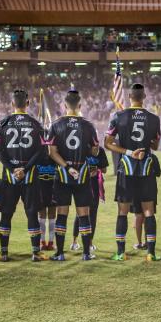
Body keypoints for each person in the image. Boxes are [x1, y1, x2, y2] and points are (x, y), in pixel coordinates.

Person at [104, 83, 161, 261]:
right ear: (144, 97)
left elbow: (108, 143)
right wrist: (143, 146)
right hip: (146, 168)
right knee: (148, 211)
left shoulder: (119, 116)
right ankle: (150, 253)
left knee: (122, 211)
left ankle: (121, 252)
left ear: (129, 97)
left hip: (126, 168)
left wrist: (129, 151)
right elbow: (156, 145)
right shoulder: (154, 118)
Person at [0, 90, 48, 262]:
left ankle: (3, 253)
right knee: (32, 214)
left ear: (12, 104)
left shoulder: (3, 123)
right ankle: (35, 253)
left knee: (6, 214)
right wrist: (25, 168)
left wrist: (12, 168)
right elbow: (41, 151)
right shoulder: (35, 123)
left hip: (9, 177)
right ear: (28, 103)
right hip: (30, 176)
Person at [47, 89, 99, 261]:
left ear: (64, 105)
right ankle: (85, 253)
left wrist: (67, 166)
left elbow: (52, 153)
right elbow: (94, 150)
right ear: (80, 105)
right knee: (84, 214)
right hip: (82, 174)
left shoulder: (55, 125)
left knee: (62, 213)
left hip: (62, 174)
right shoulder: (88, 125)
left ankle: (60, 253)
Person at [71, 146, 108, 254]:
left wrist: (97, 169)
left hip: (95, 186)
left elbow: (104, 169)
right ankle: (74, 241)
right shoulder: (82, 148)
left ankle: (90, 243)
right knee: (80, 213)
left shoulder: (100, 151)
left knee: (92, 214)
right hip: (82, 184)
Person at [37, 154, 57, 250]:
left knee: (52, 216)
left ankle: (51, 242)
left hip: (53, 190)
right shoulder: (38, 157)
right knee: (42, 217)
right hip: (40, 191)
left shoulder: (54, 157)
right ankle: (42, 242)